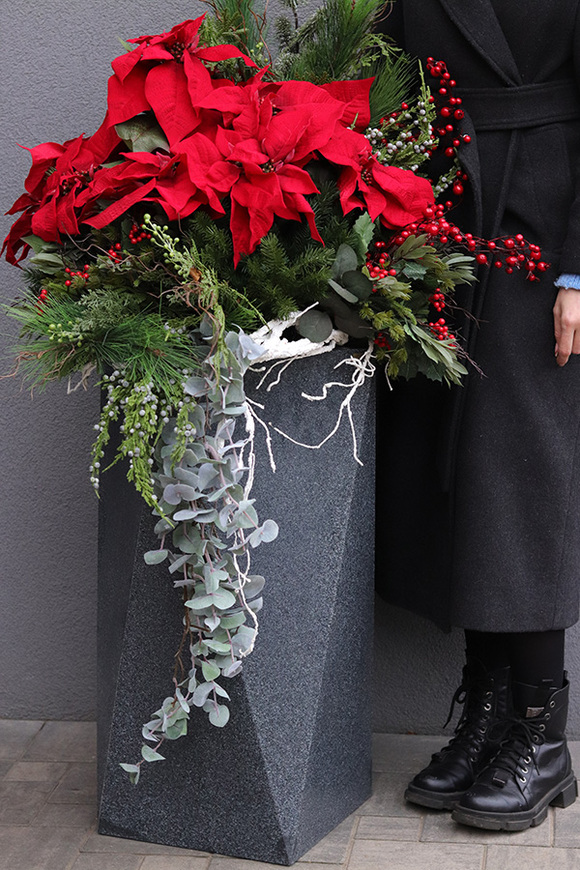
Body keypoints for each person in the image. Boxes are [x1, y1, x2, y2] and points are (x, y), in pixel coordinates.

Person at [375, 0, 580, 831]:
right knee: (460, 483)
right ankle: (491, 718)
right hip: (441, 236)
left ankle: (544, 737)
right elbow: (383, 83)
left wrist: (579, 275)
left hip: (542, 232)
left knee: (522, 482)